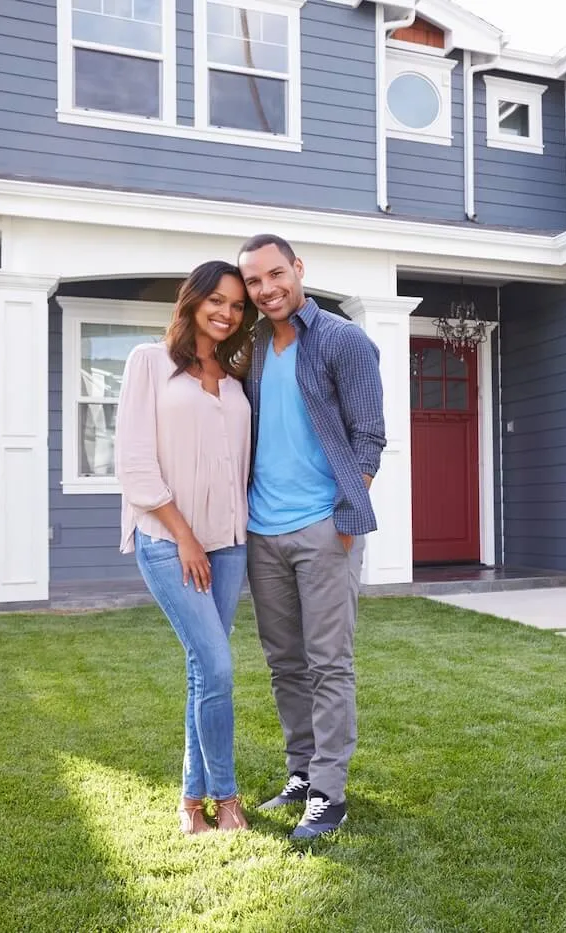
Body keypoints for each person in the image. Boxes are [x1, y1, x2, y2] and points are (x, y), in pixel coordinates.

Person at [237, 233, 385, 840]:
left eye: (276, 274)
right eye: (254, 281)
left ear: (298, 269)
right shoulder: (251, 348)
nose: (267, 289)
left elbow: (369, 436)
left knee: (329, 663)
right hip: (262, 531)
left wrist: (344, 517)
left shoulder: (343, 340)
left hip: (323, 529)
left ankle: (329, 791)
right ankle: (300, 772)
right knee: (284, 664)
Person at [115, 260, 257, 835]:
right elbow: (134, 463)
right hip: (170, 544)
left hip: (229, 545)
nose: (227, 313)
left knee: (205, 671)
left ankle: (189, 803)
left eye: (237, 305)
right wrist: (185, 536)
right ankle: (226, 799)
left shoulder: (235, 377)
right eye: (217, 301)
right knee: (217, 665)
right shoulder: (148, 363)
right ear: (193, 301)